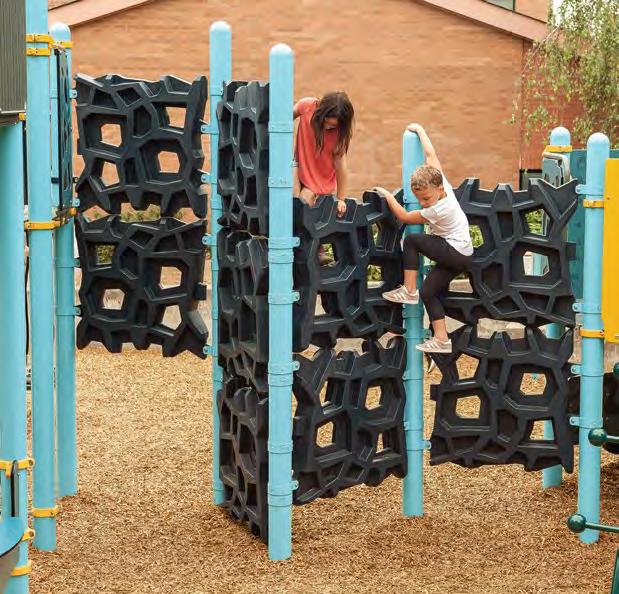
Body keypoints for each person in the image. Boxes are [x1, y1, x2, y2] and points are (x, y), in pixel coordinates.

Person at [374, 123, 473, 354]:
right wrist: (420, 131)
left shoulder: (439, 209)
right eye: (420, 199)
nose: (423, 203)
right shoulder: (441, 183)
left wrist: (388, 195)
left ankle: (409, 290)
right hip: (461, 255)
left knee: (412, 241)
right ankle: (442, 339)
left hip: (455, 250)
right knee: (428, 291)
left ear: (439, 190)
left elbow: (405, 217)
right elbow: (431, 154)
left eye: (426, 198)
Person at [293, 91, 354, 216]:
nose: (327, 127)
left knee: (302, 204)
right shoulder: (306, 106)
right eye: (325, 122)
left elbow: (340, 166)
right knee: (290, 201)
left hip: (318, 182)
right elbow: (283, 119)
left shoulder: (339, 135)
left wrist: (341, 199)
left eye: (332, 126)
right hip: (298, 167)